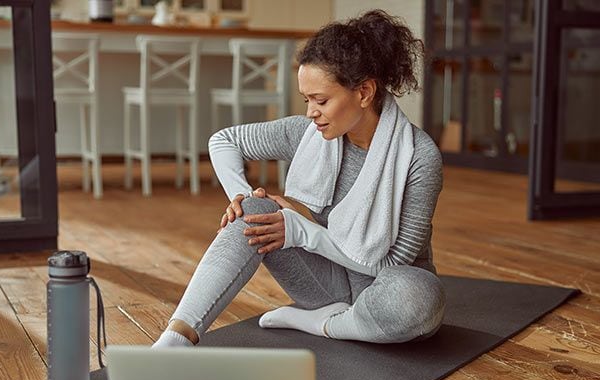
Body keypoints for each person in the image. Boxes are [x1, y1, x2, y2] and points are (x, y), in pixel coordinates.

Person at [153, 9, 445, 348]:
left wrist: (301, 231)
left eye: (321, 100)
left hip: (383, 290)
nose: (310, 112)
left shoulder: (419, 157)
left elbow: (392, 262)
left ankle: (322, 324)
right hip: (323, 284)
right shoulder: (306, 132)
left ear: (364, 92)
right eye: (307, 100)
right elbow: (224, 140)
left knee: (418, 298)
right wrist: (240, 195)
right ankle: (178, 337)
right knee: (253, 210)